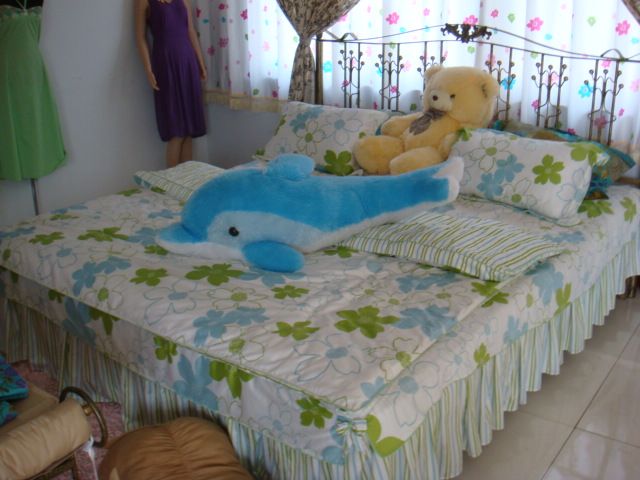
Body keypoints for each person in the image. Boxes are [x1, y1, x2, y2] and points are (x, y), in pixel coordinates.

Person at [135, 0, 207, 168]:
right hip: (165, 63)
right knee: (176, 130)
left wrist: (200, 63)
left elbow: (190, 31)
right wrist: (148, 69)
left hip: (187, 60)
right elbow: (140, 37)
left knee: (189, 131)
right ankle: (171, 181)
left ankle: (188, 179)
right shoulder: (144, 1)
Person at [0, 0, 66, 182]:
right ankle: (12, 167)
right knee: (9, 120)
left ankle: (38, 163)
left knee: (38, 117)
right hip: (7, 69)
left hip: (34, 69)